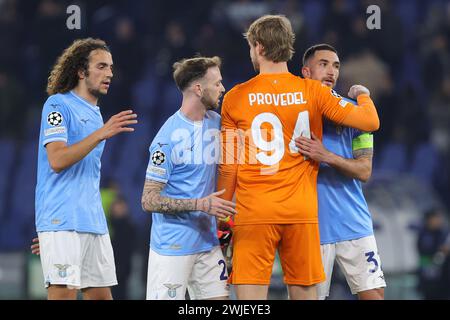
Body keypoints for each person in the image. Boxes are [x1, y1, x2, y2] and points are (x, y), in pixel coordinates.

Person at [217, 15, 380, 300]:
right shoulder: (313, 91)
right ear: (288, 47)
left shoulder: (235, 97)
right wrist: (362, 94)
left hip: (254, 212)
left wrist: (221, 220)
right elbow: (369, 121)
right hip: (301, 213)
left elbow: (229, 165)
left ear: (258, 47)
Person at [34, 38, 137, 300]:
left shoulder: (95, 113)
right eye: (102, 66)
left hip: (92, 222)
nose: (110, 73)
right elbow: (56, 160)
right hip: (62, 220)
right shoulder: (58, 105)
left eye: (111, 67)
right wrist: (52, 233)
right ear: (81, 71)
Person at [295, 44, 386, 300]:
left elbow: (364, 170)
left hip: (353, 222)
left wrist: (325, 156)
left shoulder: (356, 115)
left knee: (374, 295)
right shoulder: (291, 113)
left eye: (335, 65)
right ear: (306, 71)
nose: (331, 71)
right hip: (311, 226)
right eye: (323, 64)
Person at [141, 56, 235, 300]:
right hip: (172, 248)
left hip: (208, 244)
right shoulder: (167, 138)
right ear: (198, 88)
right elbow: (149, 200)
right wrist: (200, 204)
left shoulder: (218, 124)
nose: (222, 89)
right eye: (217, 83)